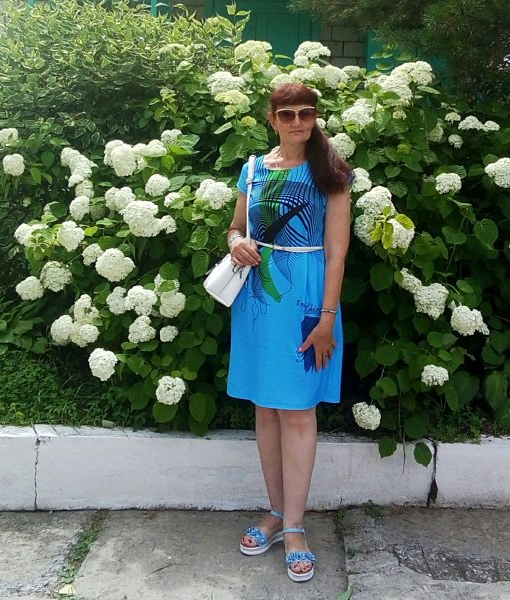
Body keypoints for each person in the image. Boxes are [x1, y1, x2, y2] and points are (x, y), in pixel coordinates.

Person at [226, 83, 352, 583]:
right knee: (265, 409)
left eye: (306, 112)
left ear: (315, 117)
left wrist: (327, 318)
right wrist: (236, 244)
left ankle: (295, 527)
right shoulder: (253, 169)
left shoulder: (331, 172)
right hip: (259, 300)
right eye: (287, 113)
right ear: (272, 118)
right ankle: (276, 514)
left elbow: (337, 252)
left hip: (307, 302)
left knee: (298, 412)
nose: (298, 121)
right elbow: (236, 227)